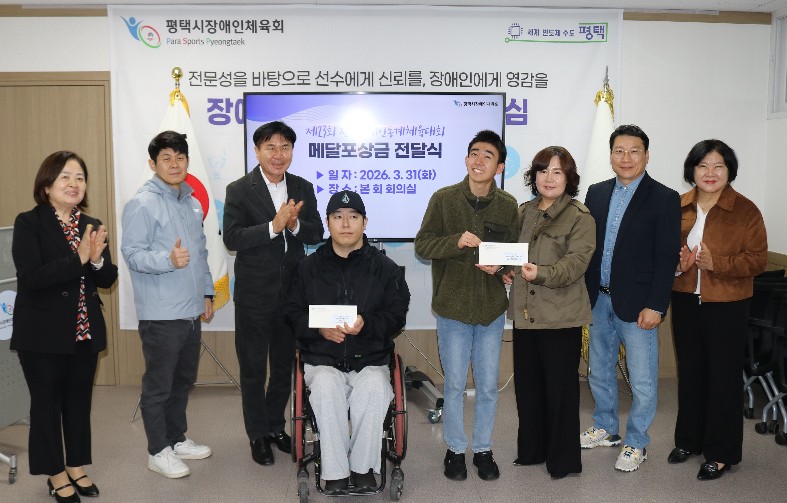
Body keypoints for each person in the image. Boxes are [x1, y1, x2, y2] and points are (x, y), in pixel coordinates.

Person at [283, 190, 410, 495]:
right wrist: (318, 329)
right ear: (328, 223)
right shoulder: (308, 268)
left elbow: (396, 314)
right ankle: (336, 471)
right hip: (322, 358)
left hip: (370, 358)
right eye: (338, 217)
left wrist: (367, 324)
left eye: (353, 217)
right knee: (326, 387)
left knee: (376, 387)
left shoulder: (385, 268)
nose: (345, 224)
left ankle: (363, 469)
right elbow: (291, 312)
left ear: (364, 222)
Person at [11, 151, 118, 502]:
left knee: (78, 403)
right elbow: (31, 278)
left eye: (80, 178)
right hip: (42, 334)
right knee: (46, 405)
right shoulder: (29, 223)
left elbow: (107, 278)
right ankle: (55, 473)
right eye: (65, 177)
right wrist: (79, 259)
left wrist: (97, 261)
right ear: (47, 185)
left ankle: (76, 466)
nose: (74, 184)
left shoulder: (91, 223)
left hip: (84, 332)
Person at [414, 129, 518, 481]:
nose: (479, 160)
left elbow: (513, 256)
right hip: (452, 310)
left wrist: (501, 267)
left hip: (490, 310)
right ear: (465, 159)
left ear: (499, 167)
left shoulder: (508, 205)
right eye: (474, 153)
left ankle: (483, 449)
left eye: (488, 156)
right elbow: (423, 245)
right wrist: (455, 242)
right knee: (455, 384)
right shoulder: (444, 199)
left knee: (487, 386)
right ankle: (456, 450)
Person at [223, 121, 324, 466]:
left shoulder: (302, 187)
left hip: (292, 295)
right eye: (271, 147)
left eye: (285, 147)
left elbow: (316, 232)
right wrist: (273, 226)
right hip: (254, 296)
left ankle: (274, 426)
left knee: (283, 367)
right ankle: (257, 435)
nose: (278, 155)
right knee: (253, 369)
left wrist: (294, 225)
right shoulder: (239, 189)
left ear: (292, 151)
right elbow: (232, 238)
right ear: (257, 151)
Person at [581, 124, 681, 472]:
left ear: (646, 155)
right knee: (599, 371)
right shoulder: (596, 193)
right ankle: (606, 427)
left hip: (640, 306)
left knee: (642, 380)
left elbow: (666, 257)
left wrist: (656, 305)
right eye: (619, 151)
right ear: (610, 155)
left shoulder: (665, 198)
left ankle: (637, 441)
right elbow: (587, 248)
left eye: (634, 151)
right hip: (598, 300)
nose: (626, 158)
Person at [668, 140, 767, 480]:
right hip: (685, 300)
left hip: (727, 304)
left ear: (729, 171)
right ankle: (689, 440)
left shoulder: (745, 210)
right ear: (692, 170)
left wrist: (717, 263)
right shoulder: (678, 206)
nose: (710, 173)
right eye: (703, 166)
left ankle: (722, 453)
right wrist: (678, 266)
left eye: (718, 166)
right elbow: (664, 253)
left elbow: (758, 260)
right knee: (690, 373)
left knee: (723, 378)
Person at [121, 131, 214, 479]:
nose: (174, 164)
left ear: (187, 161)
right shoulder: (142, 203)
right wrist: (167, 259)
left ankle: (176, 439)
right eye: (166, 158)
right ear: (153, 163)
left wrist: (207, 293)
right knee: (159, 384)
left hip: (190, 309)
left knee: (183, 379)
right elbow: (132, 254)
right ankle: (157, 450)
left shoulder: (190, 201)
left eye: (180, 157)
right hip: (161, 312)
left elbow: (200, 253)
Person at [506, 146, 595, 480]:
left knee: (560, 391)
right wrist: (505, 268)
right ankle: (532, 451)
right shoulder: (524, 211)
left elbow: (576, 264)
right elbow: (514, 254)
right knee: (528, 389)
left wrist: (539, 273)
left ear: (569, 178)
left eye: (557, 172)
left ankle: (563, 461)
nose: (549, 178)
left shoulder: (579, 216)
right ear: (534, 176)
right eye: (543, 171)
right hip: (526, 313)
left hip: (561, 317)